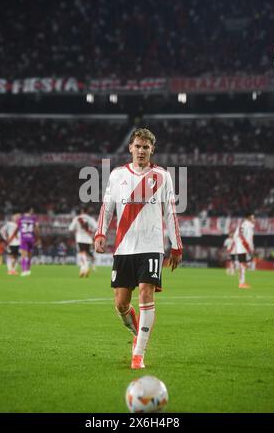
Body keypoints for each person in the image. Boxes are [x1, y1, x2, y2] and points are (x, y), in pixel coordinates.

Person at [94, 128, 183, 369]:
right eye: (138, 146)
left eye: (146, 147)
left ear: (152, 149)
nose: (141, 151)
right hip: (123, 247)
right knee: (121, 304)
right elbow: (107, 207)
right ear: (130, 148)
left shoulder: (162, 176)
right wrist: (101, 232)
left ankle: (139, 354)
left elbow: (170, 212)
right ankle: (137, 334)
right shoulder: (117, 175)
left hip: (151, 246)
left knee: (146, 292)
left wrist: (176, 246)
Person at [69, 208, 98, 277]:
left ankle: (85, 267)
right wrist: (91, 231)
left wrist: (77, 230)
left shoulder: (77, 218)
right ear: (87, 212)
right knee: (86, 253)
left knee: (82, 253)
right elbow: (96, 227)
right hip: (88, 239)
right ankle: (83, 269)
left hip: (80, 238)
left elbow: (70, 228)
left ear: (81, 212)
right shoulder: (90, 219)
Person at [233, 212, 255, 289]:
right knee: (243, 265)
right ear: (248, 218)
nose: (254, 220)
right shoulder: (249, 226)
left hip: (240, 248)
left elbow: (235, 236)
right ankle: (242, 283)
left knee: (242, 265)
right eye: (253, 218)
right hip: (245, 248)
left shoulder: (241, 225)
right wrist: (250, 249)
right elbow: (248, 239)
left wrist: (238, 245)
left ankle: (242, 282)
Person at [18, 208, 41, 276]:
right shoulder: (34, 218)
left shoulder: (21, 219)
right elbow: (37, 228)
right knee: (29, 254)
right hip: (31, 238)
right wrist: (38, 238)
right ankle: (28, 269)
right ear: (30, 211)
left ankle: (24, 270)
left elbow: (19, 228)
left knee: (24, 255)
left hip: (24, 238)